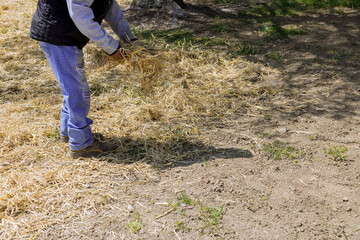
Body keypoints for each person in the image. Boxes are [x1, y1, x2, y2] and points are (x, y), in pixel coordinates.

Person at [30, 0, 137, 158]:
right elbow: (79, 13)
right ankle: (81, 144)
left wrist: (131, 40)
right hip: (57, 34)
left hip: (64, 32)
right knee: (77, 91)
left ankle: (69, 132)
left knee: (72, 87)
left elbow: (111, 8)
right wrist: (111, 47)